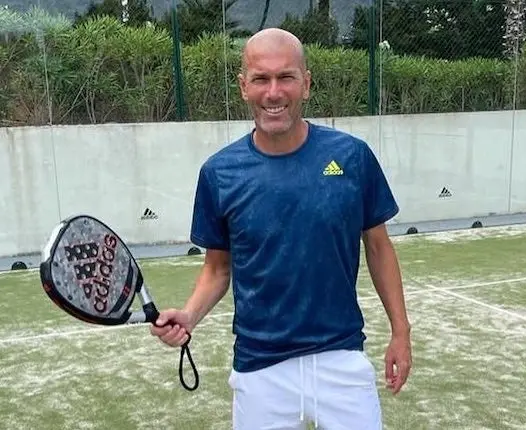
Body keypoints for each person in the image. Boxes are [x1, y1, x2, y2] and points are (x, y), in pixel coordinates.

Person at [149, 28, 412, 429]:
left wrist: (400, 331)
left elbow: (378, 247)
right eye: (261, 79)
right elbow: (218, 269)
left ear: (306, 84)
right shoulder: (219, 173)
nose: (274, 92)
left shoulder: (352, 157)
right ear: (243, 87)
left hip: (341, 357)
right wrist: (189, 314)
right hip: (261, 369)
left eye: (286, 77)